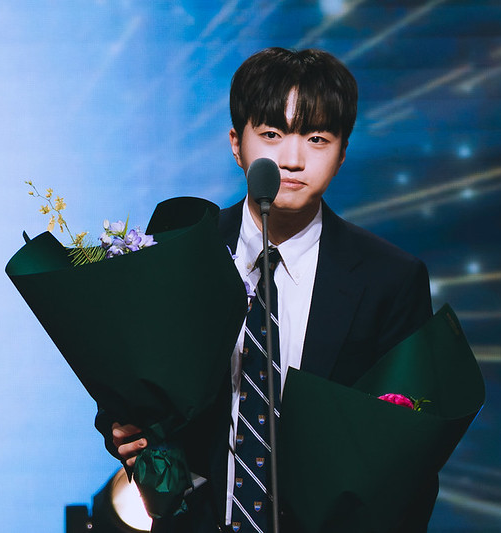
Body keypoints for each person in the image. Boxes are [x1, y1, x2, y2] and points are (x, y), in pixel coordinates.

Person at [96, 47, 436, 532]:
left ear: (342, 153)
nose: (292, 160)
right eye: (272, 135)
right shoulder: (178, 255)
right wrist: (123, 428)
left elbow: (409, 449)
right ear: (237, 144)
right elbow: (130, 387)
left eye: (317, 139)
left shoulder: (390, 280)